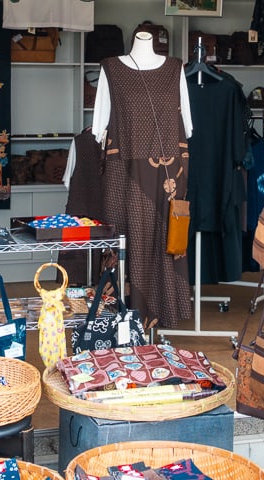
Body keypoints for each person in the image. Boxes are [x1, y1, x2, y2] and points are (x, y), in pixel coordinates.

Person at [91, 31, 193, 328]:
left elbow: (187, 123)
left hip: (167, 175)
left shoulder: (176, 69)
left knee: (165, 239)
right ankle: (123, 320)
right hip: (123, 174)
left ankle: (160, 313)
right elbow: (100, 128)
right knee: (122, 239)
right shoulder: (110, 68)